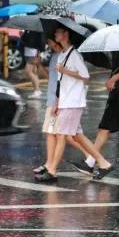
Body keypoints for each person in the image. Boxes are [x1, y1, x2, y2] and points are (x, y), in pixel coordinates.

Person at [35, 25, 113, 182]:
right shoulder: (62, 55)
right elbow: (60, 83)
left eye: (57, 31)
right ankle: (104, 163)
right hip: (65, 101)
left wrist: (66, 71)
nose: (55, 34)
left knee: (62, 135)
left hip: (73, 102)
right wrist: (57, 103)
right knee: (77, 135)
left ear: (65, 34)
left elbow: (85, 76)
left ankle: (52, 170)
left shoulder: (74, 54)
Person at [33, 39, 93, 175]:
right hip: (55, 100)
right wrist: (40, 66)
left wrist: (57, 102)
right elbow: (52, 77)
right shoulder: (56, 56)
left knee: (58, 134)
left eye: (50, 41)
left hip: (60, 101)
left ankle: (51, 166)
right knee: (67, 135)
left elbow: (79, 77)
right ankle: (92, 158)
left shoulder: (67, 56)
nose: (48, 44)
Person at [22, 31, 44, 99]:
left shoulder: (37, 29)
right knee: (34, 72)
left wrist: (40, 52)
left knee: (28, 71)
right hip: (28, 51)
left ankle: (37, 90)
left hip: (33, 52)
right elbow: (24, 39)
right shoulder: (28, 28)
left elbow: (41, 40)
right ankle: (37, 90)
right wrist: (22, 35)